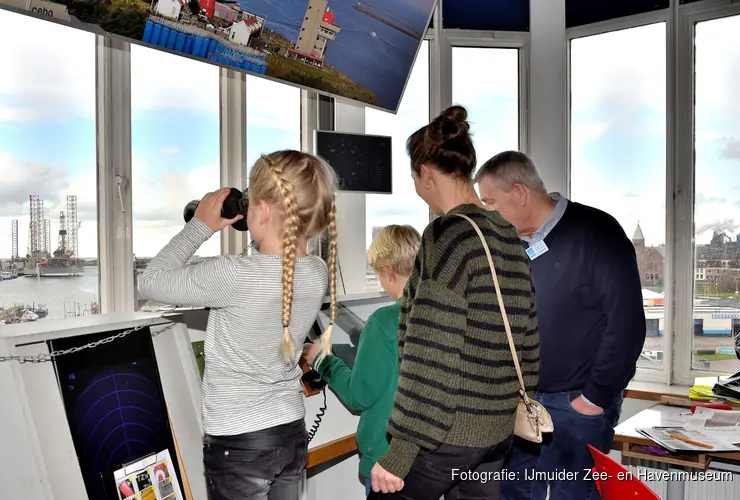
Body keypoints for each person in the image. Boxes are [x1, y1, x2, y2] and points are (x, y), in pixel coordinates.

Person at [138, 150, 338, 500]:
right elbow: (276, 264)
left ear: (260, 209)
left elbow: (151, 281)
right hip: (289, 430)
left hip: (240, 441)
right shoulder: (317, 272)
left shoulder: (233, 275)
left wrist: (200, 225)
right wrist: (260, 224)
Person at [367, 106, 540, 500]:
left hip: (445, 438)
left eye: (413, 176)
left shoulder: (446, 235)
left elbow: (432, 351)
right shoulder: (508, 235)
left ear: (426, 173)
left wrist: (401, 452)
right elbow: (527, 340)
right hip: (496, 435)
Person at [475, 151, 646, 500]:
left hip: (578, 405)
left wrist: (593, 399)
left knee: (576, 495)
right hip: (521, 404)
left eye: (491, 202)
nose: (487, 213)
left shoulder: (597, 232)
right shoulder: (504, 246)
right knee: (514, 493)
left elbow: (626, 325)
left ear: (520, 193)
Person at [302, 224, 421, 497]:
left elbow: (359, 396)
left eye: (378, 274)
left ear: (388, 272)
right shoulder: (435, 312)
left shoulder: (382, 322)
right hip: (426, 456)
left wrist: (322, 360)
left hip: (387, 456)